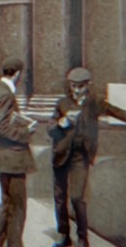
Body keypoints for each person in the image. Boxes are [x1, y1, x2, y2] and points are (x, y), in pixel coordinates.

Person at [47, 67, 126, 247]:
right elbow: (50, 128)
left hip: (79, 157)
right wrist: (62, 122)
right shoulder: (62, 103)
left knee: (77, 197)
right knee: (60, 198)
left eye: (80, 86)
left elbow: (115, 111)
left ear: (88, 85)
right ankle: (64, 235)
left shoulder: (94, 102)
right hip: (60, 155)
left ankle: (83, 238)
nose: (76, 90)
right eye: (73, 86)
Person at [0, 58, 37, 247]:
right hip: (13, 160)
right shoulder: (6, 95)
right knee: (17, 207)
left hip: (3, 158)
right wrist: (25, 132)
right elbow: (0, 127)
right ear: (18, 74)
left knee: (7, 205)